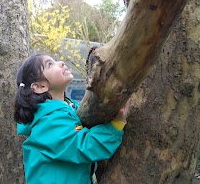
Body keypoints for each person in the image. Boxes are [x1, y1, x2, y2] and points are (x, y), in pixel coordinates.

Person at [14, 53, 130, 184]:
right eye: (50, 64)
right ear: (40, 86)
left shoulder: (68, 109)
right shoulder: (49, 122)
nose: (61, 62)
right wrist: (116, 125)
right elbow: (85, 147)